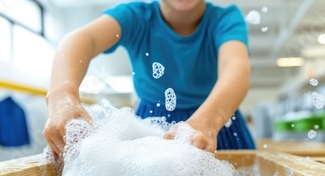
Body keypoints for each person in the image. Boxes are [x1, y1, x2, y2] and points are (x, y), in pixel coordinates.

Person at [43, 0, 256, 159]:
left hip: (219, 122)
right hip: (152, 127)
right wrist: (62, 96)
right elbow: (81, 39)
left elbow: (235, 67)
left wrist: (207, 122)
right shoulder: (135, 17)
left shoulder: (225, 19)